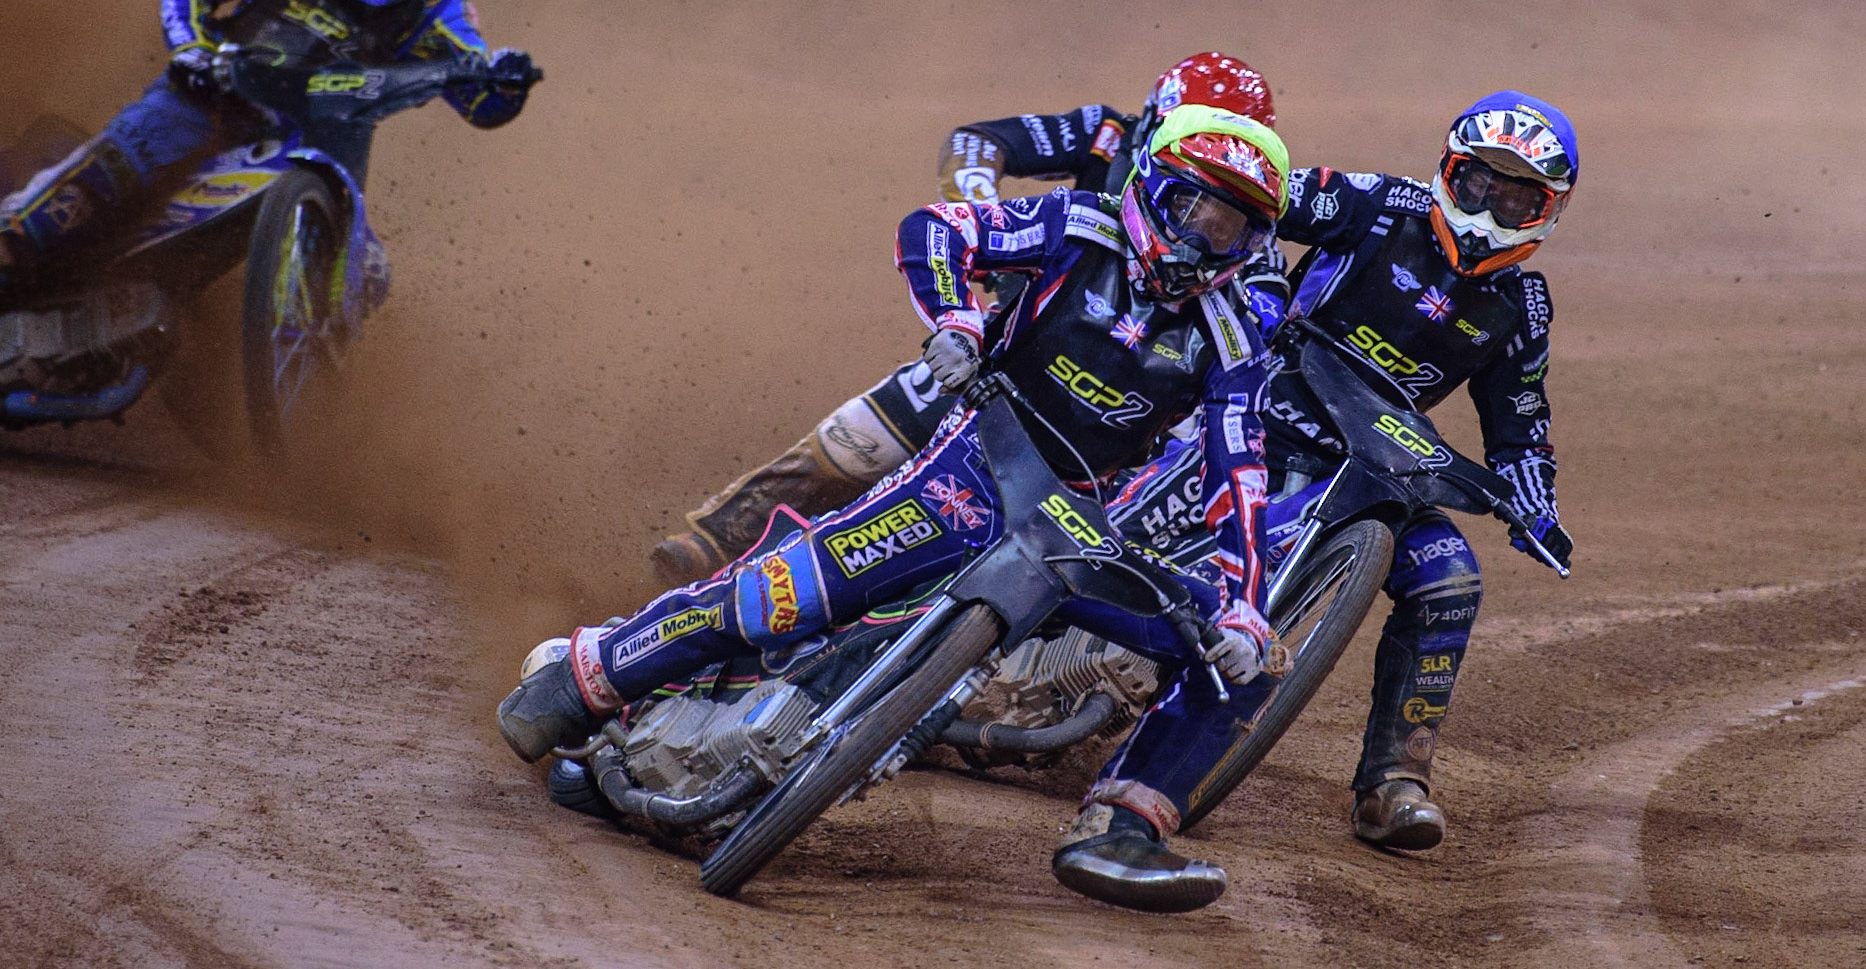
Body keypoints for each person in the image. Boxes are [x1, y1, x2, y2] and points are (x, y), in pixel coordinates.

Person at [500, 102, 1297, 912]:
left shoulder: (1233, 339)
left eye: (1230, 227)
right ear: (1150, 189)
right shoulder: (1080, 225)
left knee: (1251, 660)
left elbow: (1243, 467)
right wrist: (955, 319)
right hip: (972, 467)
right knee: (790, 599)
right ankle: (591, 678)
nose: (1202, 238)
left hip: (1075, 528)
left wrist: (1244, 608)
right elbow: (937, 227)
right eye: (1192, 208)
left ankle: (1122, 829)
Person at [1095, 92, 1580, 852]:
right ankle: (957, 646)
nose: (1491, 205)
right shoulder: (1379, 205)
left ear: (1548, 211)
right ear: (1451, 171)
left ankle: (1395, 784)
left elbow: (1520, 421)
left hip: (1382, 463)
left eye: (1518, 196)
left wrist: (1536, 503)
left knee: (1450, 580)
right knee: (1107, 529)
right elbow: (1254, 204)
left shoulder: (1522, 305)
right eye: (1480, 182)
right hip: (1258, 410)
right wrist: (1248, 293)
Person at [648, 53, 1279, 585]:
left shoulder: (1254, 235)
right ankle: (718, 537)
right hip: (1007, 345)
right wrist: (998, 233)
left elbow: (1266, 332)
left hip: (1124, 409)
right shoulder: (1106, 133)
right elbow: (975, 143)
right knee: (871, 429)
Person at [0, 0, 537, 300]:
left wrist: (504, 83)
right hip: (209, 98)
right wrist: (192, 50)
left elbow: (478, 97)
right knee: (107, 172)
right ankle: (16, 237)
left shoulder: (439, 2)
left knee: (370, 279)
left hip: (322, 148)